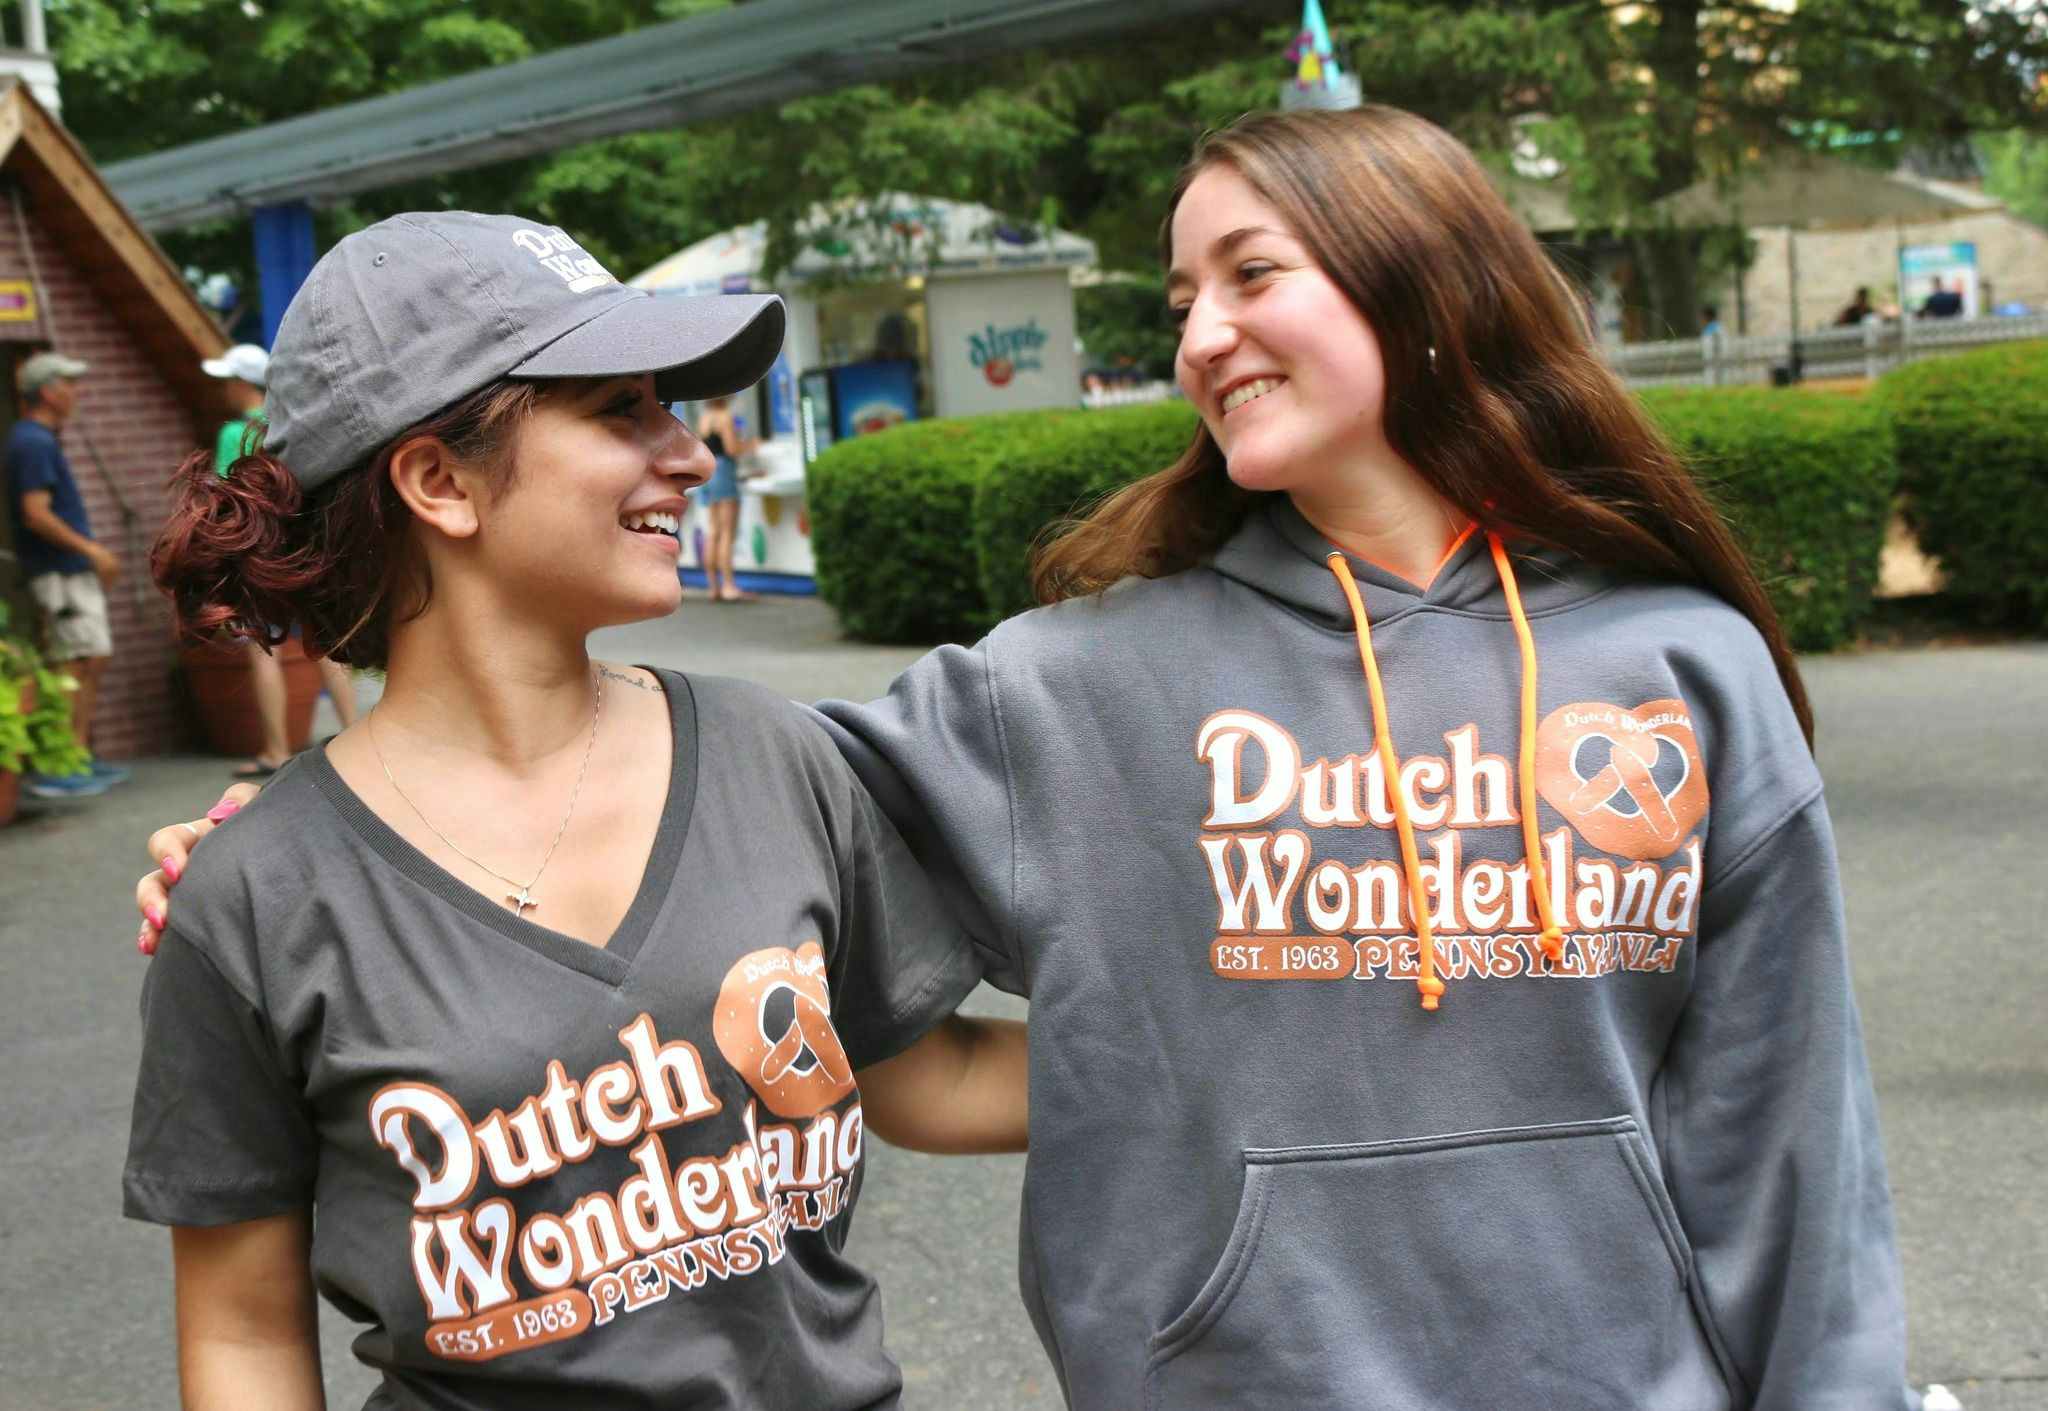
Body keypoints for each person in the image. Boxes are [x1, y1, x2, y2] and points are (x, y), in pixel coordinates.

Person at [141, 109, 1912, 1410]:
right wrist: (303, 852)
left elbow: (1784, 1139)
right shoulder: (1054, 694)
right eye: (1180, 291)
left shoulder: (1678, 670)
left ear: (1426, 284)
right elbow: (655, 842)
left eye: (1251, 272)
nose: (1199, 331)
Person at [128, 211, 1024, 1411]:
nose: (691, 454)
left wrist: (1270, 1033)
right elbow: (241, 1334)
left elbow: (926, 1076)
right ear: (439, 481)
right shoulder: (251, 897)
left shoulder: (772, 752)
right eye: (620, 410)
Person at [202, 342, 361, 777]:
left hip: (260, 550)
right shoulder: (289, 424)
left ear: (241, 384)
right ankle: (355, 735)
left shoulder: (235, 433)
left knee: (262, 650)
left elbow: (226, 497)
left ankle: (275, 749)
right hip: (303, 545)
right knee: (326, 645)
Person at [5, 349, 127, 797]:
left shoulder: (38, 440)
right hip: (58, 571)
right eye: (69, 384)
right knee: (73, 662)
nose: (77, 392)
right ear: (47, 392)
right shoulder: (33, 442)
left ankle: (76, 756)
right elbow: (35, 513)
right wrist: (92, 551)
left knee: (87, 658)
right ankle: (60, 765)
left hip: (66, 568)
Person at [695, 393, 755, 602]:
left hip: (710, 472)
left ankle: (713, 586)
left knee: (714, 531)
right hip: (725, 473)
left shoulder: (704, 418)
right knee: (727, 532)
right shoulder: (725, 416)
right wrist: (752, 445)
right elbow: (732, 449)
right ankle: (729, 585)